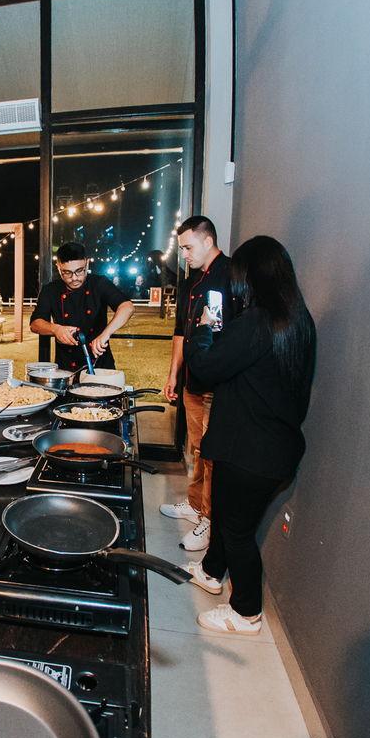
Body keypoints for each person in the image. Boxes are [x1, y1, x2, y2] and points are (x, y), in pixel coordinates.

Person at [183, 236, 316, 636]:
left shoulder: (258, 322)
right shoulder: (297, 320)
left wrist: (204, 328)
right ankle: (211, 571)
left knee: (236, 531)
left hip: (249, 452)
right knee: (226, 517)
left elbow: (205, 365)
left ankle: (246, 612)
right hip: (269, 447)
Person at [160, 217, 234, 552]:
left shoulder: (231, 275)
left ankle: (209, 519)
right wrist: (173, 374)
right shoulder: (190, 282)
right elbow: (180, 332)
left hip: (218, 382)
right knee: (198, 449)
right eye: (182, 248)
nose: (184, 255)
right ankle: (194, 504)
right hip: (192, 380)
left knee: (213, 454)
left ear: (208, 241)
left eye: (188, 247)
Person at [30, 242, 134, 372]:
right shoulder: (51, 290)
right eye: (67, 273)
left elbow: (127, 307)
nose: (74, 278)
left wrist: (106, 334)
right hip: (66, 369)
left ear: (87, 264)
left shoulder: (99, 284)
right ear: (58, 267)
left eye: (79, 271)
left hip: (101, 366)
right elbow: (35, 324)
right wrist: (56, 329)